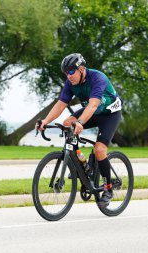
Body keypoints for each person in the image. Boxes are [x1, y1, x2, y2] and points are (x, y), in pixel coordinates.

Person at [37, 53, 123, 208]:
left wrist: (81, 122)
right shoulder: (70, 83)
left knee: (99, 149)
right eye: (66, 72)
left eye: (71, 71)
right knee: (67, 123)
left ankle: (108, 189)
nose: (68, 76)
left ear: (81, 69)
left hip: (109, 114)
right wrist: (45, 121)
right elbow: (60, 105)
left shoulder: (97, 78)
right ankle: (82, 165)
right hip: (93, 112)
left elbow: (93, 105)